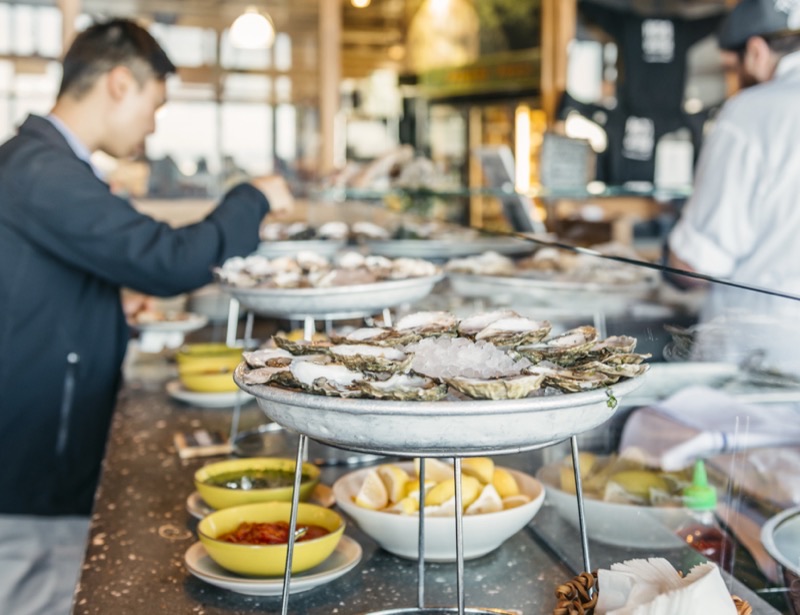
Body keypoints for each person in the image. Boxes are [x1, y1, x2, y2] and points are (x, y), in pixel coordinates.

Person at [0, 18, 292, 614]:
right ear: (117, 84)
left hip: (40, 442)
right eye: (154, 104)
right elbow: (167, 261)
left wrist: (106, 302)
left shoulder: (42, 163)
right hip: (31, 464)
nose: (154, 123)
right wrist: (252, 197)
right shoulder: (39, 170)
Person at [667, 0, 800, 370]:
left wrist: (666, 263)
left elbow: (695, 263)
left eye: (731, 67)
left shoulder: (752, 112)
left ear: (755, 51)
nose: (734, 77)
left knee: (641, 426)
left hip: (762, 357)